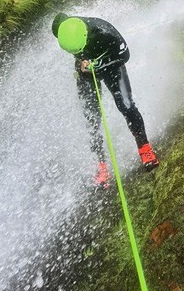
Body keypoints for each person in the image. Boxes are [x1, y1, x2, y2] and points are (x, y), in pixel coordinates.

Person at [52, 12, 159, 189]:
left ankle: (145, 148)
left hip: (112, 64)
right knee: (92, 117)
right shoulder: (61, 26)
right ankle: (100, 165)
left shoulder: (104, 30)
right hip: (85, 71)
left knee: (126, 105)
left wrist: (100, 66)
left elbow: (124, 56)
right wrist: (81, 66)